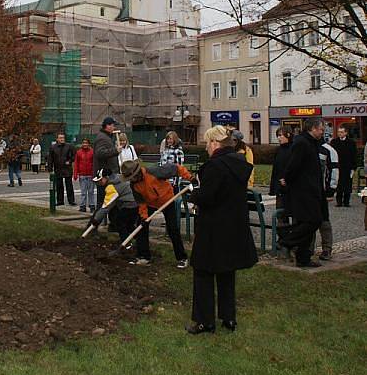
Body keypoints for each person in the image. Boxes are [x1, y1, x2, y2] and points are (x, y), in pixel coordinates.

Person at [184, 125, 257, 335]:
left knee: (203, 272)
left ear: (215, 143)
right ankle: (229, 317)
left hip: (213, 227)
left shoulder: (214, 167)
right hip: (233, 226)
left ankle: (204, 320)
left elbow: (208, 197)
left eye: (207, 143)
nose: (206, 148)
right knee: (227, 272)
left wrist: (194, 194)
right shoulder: (240, 163)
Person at [120, 159, 192, 269]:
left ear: (137, 173)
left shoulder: (155, 171)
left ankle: (182, 258)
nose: (131, 180)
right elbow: (141, 202)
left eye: (132, 177)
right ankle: (144, 257)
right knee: (141, 227)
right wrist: (144, 217)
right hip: (150, 204)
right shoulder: (134, 185)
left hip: (167, 200)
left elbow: (176, 168)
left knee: (173, 229)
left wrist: (190, 178)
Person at [278, 117, 326, 268]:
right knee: (313, 220)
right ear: (312, 129)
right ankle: (286, 241)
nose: (322, 132)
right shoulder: (302, 143)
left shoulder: (311, 143)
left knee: (308, 222)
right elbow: (293, 165)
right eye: (321, 129)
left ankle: (303, 257)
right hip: (303, 190)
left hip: (312, 188)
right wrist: (287, 178)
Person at [88, 168, 139, 243]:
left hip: (129, 204)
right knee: (129, 225)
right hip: (136, 202)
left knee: (120, 223)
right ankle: (139, 239)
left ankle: (126, 243)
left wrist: (96, 220)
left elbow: (106, 207)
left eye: (101, 180)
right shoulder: (118, 177)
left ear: (107, 177)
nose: (100, 182)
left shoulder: (111, 187)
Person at [313, 141, 338, 261]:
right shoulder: (305, 146)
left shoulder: (328, 150)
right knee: (307, 220)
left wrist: (330, 190)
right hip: (307, 191)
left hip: (321, 191)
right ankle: (307, 248)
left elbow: (334, 170)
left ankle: (327, 248)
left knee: (323, 220)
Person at [93, 117, 121, 212]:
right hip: (104, 175)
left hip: (108, 174)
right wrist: (115, 151)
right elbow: (99, 153)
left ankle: (102, 221)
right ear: (107, 126)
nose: (114, 127)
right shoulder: (102, 138)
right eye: (113, 125)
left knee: (109, 200)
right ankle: (96, 222)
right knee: (103, 201)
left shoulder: (106, 137)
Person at [269, 127, 293, 226]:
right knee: (281, 215)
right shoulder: (279, 150)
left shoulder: (294, 148)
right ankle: (283, 237)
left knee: (294, 213)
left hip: (291, 187)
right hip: (280, 188)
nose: (279, 138)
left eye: (280, 135)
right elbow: (276, 170)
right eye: (277, 136)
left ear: (288, 135)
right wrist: (273, 187)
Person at [331, 126, 357, 207]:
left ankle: (346, 202)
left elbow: (354, 155)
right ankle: (339, 202)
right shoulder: (334, 142)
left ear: (346, 133)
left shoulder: (351, 142)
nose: (340, 134)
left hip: (347, 167)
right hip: (338, 167)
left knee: (347, 185)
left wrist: (353, 167)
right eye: (339, 132)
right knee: (338, 184)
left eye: (342, 132)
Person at [48, 132, 76, 206]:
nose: (62, 139)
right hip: (58, 168)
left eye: (63, 138)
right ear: (57, 139)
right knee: (59, 185)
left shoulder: (69, 146)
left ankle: (71, 200)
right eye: (60, 138)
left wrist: (69, 161)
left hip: (67, 168)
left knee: (69, 185)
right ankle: (60, 201)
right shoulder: (53, 147)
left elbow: (74, 156)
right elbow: (50, 158)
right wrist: (50, 169)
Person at [73, 138, 94, 212]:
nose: (85, 144)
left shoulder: (92, 152)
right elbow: (76, 163)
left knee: (91, 192)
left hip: (90, 174)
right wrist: (75, 174)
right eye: (83, 143)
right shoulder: (79, 152)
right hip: (82, 175)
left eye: (86, 143)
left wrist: (94, 174)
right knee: (83, 192)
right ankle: (82, 206)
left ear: (89, 144)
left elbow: (94, 163)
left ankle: (92, 205)